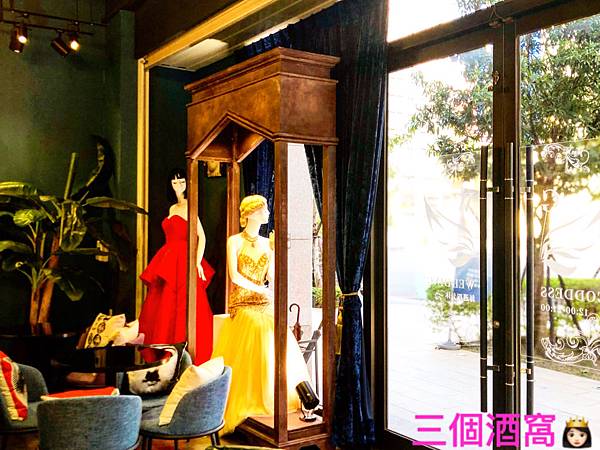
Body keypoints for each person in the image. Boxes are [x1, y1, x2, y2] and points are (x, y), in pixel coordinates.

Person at [212, 194, 311, 434]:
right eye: (263, 209)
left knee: (278, 329)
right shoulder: (234, 241)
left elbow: (271, 276)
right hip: (242, 302)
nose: (267, 213)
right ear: (250, 213)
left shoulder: (268, 242)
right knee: (256, 327)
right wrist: (260, 290)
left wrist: (275, 253)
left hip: (263, 300)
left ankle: (281, 395)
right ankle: (250, 397)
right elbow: (234, 276)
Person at [138, 168, 215, 365]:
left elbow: (201, 236)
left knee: (183, 302)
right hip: (168, 258)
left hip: (183, 258)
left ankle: (185, 353)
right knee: (164, 305)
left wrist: (197, 261)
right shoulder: (172, 208)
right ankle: (165, 350)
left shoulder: (190, 206)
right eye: (174, 183)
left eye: (181, 182)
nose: (178, 186)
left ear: (187, 184)